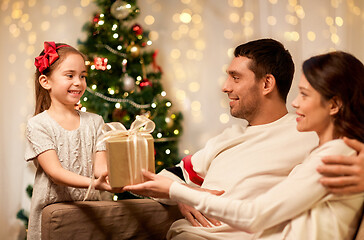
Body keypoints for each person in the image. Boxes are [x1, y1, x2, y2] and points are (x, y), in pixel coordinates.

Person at [124, 51, 364, 239]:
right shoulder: (226, 139)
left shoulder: (325, 146)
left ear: (267, 83)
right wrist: (184, 195)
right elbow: (171, 176)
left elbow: (255, 215)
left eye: (235, 77)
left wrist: (174, 190)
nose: (225, 86)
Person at [25, 41, 112, 240]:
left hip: (90, 211)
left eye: (83, 76)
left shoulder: (96, 122)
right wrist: (95, 183)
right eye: (70, 75)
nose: (78, 82)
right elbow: (56, 173)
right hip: (52, 213)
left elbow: (100, 169)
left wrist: (114, 177)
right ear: (46, 82)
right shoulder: (38, 124)